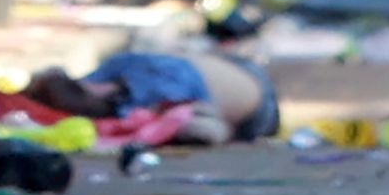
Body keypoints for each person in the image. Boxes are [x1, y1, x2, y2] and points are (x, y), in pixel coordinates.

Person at [21, 50, 279, 145]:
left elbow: (209, 130)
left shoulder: (126, 73)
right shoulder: (131, 98)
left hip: (257, 100)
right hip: (246, 94)